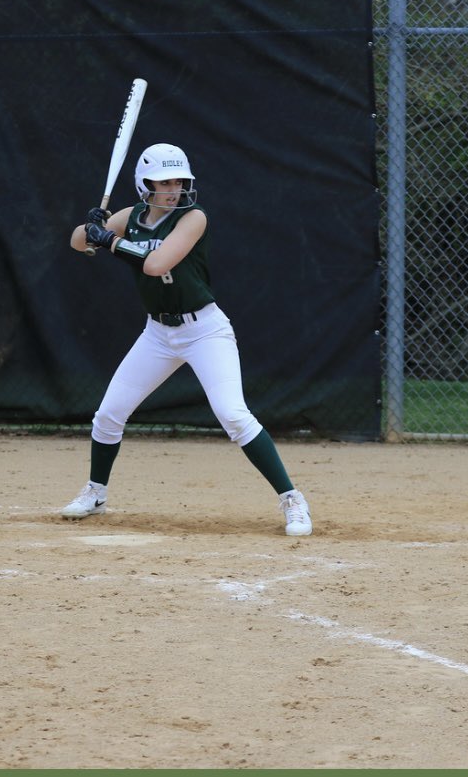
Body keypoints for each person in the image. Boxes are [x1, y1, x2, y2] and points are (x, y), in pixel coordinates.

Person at [62, 143, 312, 537]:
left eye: (178, 180)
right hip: (158, 333)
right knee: (109, 414)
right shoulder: (130, 216)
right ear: (145, 184)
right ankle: (96, 492)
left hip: (204, 331)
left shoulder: (194, 218)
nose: (172, 188)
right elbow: (79, 242)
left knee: (233, 414)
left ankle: (292, 499)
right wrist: (92, 225)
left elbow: (156, 262)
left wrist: (107, 240)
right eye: (163, 182)